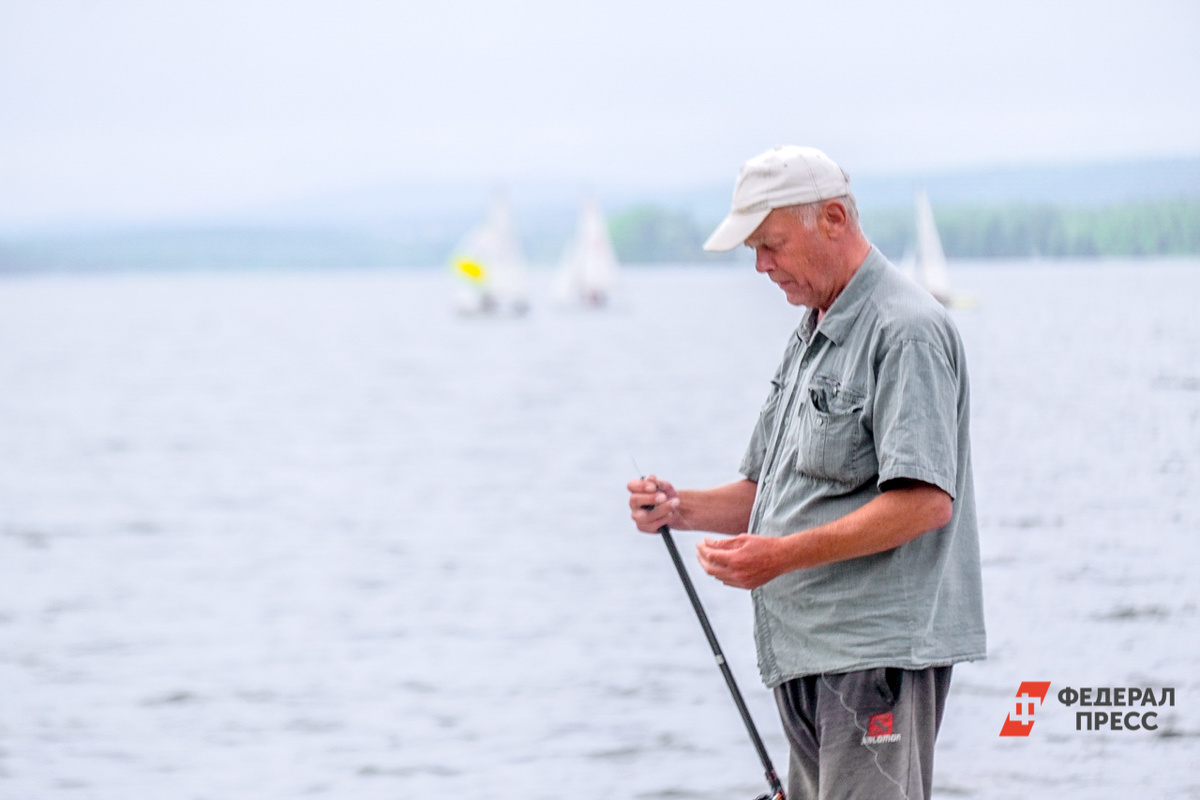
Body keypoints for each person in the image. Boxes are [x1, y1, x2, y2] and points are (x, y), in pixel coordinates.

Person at [626, 145, 986, 800]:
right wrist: (678, 510)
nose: (761, 265)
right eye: (754, 250)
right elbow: (768, 494)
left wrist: (781, 557)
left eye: (773, 245)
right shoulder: (812, 329)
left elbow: (926, 503)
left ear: (835, 219)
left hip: (872, 660)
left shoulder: (904, 331)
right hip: (807, 659)